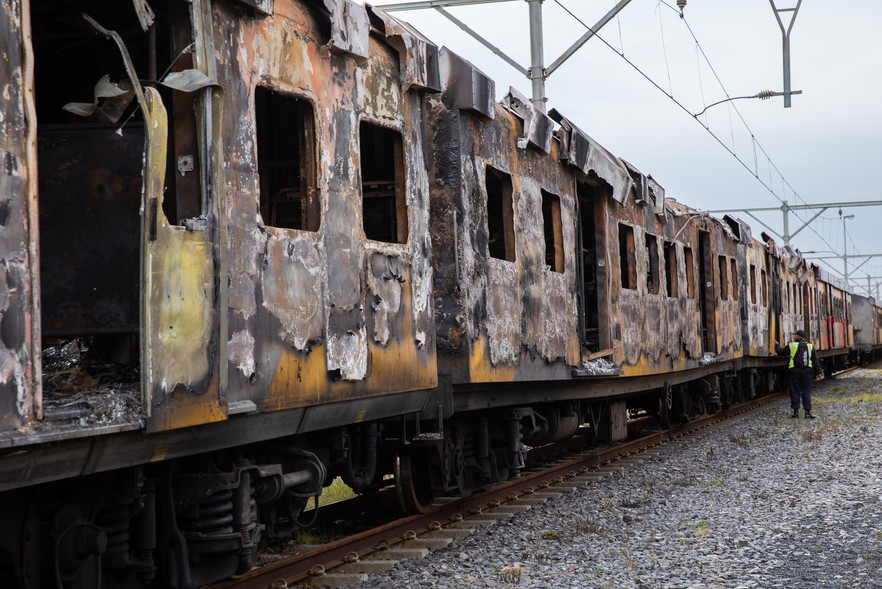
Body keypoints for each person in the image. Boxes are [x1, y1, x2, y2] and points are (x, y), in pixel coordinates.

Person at [776, 330, 822, 419]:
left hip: (794, 371)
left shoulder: (791, 345)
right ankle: (807, 412)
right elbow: (815, 361)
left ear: (797, 336)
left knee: (795, 391)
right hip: (807, 372)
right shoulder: (810, 346)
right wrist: (818, 372)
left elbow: (781, 352)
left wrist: (776, 345)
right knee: (806, 391)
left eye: (795, 335)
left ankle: (795, 412)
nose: (794, 336)